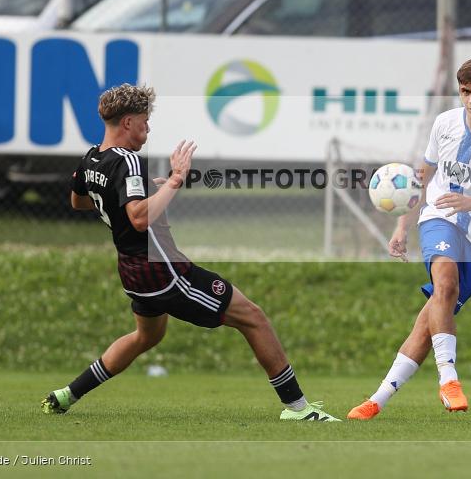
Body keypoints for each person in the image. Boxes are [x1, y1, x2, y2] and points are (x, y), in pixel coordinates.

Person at [41, 84, 340, 422]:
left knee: (147, 336)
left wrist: (129, 194)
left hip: (132, 271)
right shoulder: (128, 162)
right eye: (144, 122)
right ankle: (298, 408)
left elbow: (78, 201)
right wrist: (175, 180)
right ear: (127, 122)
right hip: (162, 269)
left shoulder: (92, 157)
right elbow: (139, 219)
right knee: (253, 318)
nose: (147, 129)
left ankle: (67, 394)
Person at [347, 57, 471, 420]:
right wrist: (402, 225)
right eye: (465, 91)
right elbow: (422, 179)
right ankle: (449, 379)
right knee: (444, 284)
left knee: (430, 322)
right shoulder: (444, 123)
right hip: (439, 216)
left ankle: (377, 400)